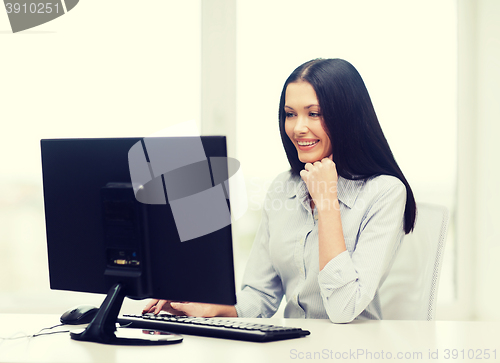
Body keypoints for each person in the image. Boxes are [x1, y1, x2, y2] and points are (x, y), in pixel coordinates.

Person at [143, 58, 416, 323]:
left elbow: (345, 308)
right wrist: (209, 307)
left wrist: (327, 202)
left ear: (347, 118)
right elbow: (260, 295)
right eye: (290, 114)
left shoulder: (385, 192)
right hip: (292, 347)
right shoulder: (283, 187)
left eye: (314, 113)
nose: (298, 128)